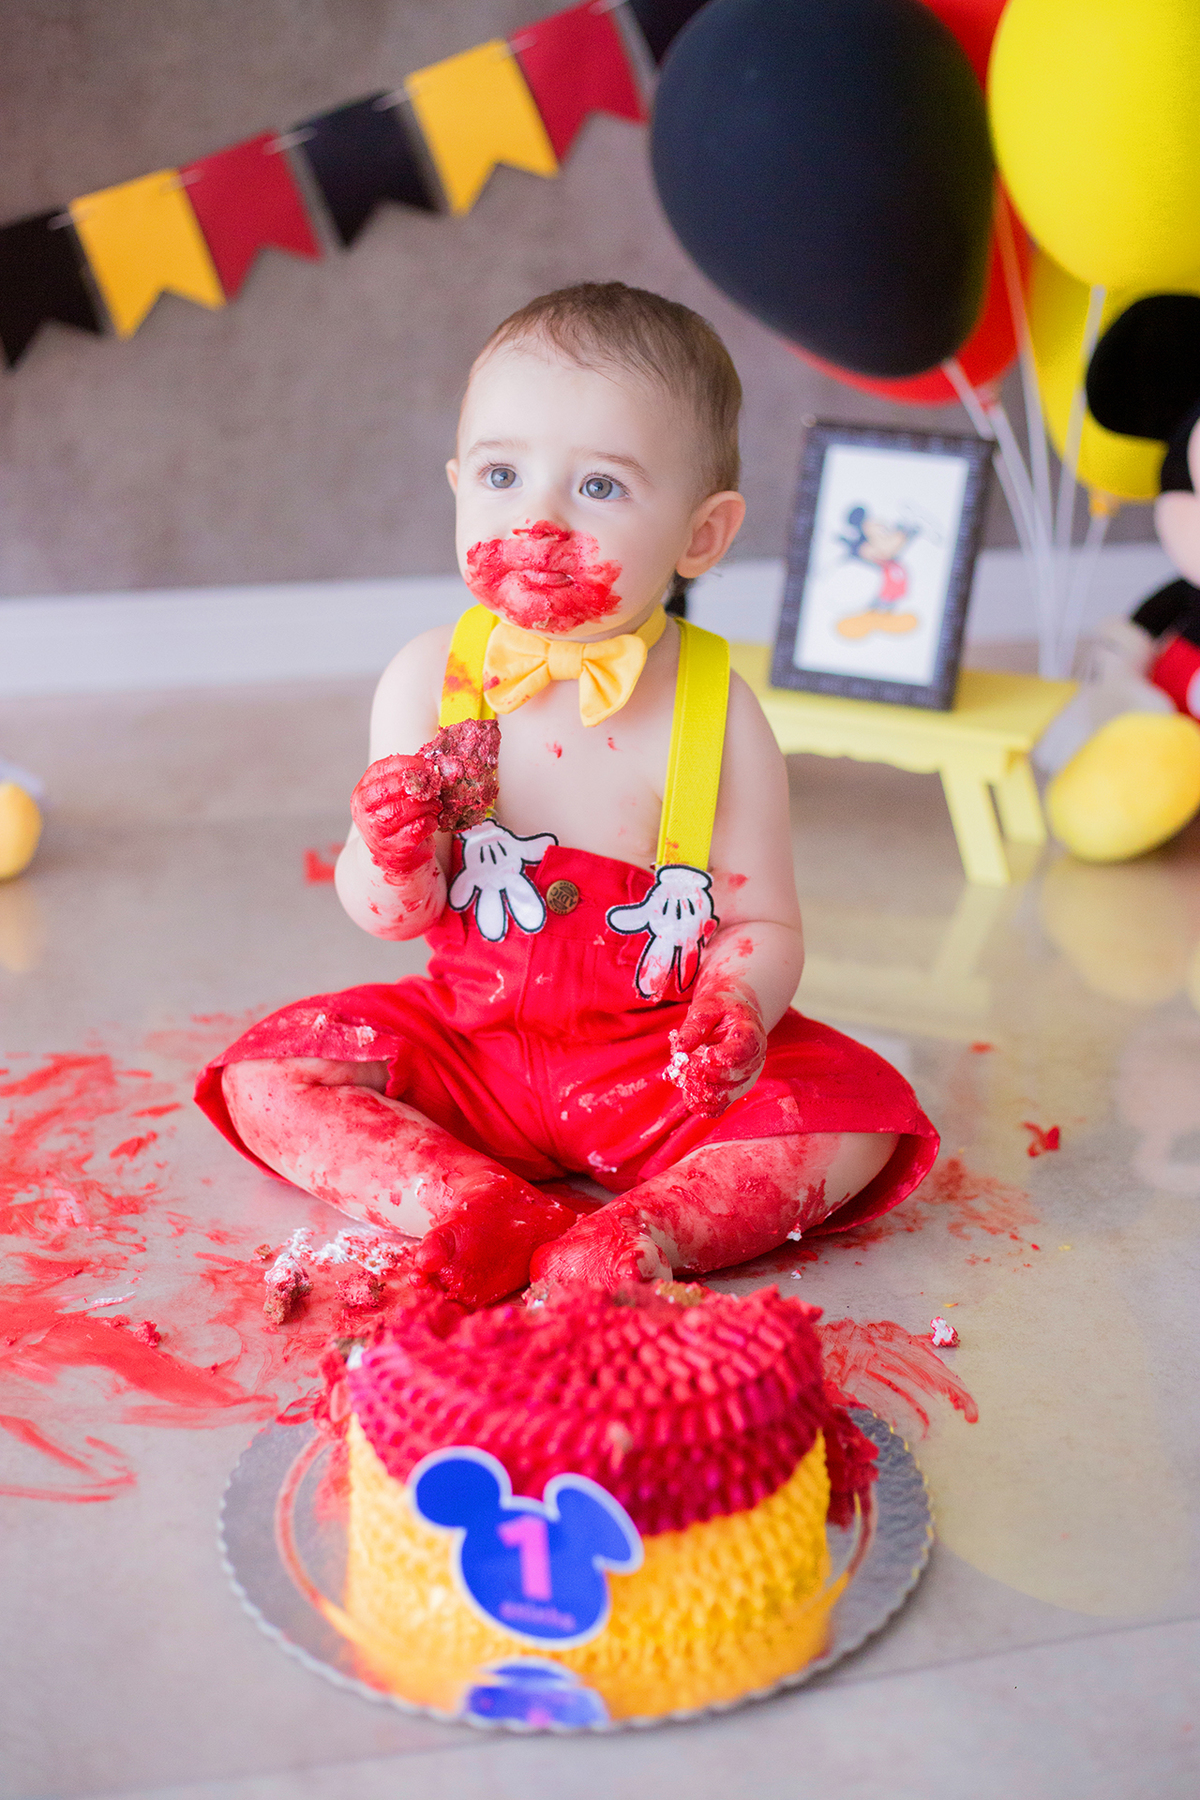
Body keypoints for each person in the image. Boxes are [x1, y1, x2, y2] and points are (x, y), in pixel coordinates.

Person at [195, 283, 937, 1307]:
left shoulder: (720, 714)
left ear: (702, 536)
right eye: (502, 474)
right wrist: (392, 843)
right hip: (471, 1055)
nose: (536, 517)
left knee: (857, 1112)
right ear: (459, 485)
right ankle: (470, 1203)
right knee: (270, 1076)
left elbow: (761, 919)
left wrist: (735, 1009)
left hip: (656, 1070)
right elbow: (389, 918)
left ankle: (644, 1232)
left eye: (599, 488)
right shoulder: (426, 679)